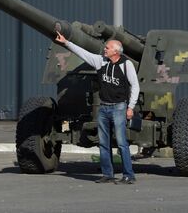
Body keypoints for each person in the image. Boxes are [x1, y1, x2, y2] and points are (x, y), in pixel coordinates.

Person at [55, 31, 140, 184]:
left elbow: (135, 86)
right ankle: (107, 174)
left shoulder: (126, 65)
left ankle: (128, 175)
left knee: (121, 143)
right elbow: (82, 53)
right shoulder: (100, 61)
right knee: (103, 143)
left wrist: (131, 107)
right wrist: (66, 42)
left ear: (116, 51)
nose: (104, 49)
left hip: (119, 108)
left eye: (107, 48)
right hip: (104, 108)